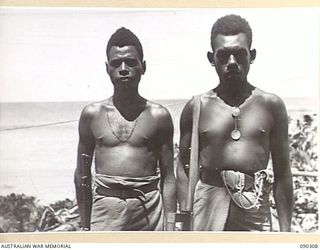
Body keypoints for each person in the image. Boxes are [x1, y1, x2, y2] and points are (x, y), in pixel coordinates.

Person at [176, 14, 293, 231]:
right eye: (223, 56)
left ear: (252, 55)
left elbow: (283, 173)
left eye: (239, 54)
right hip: (207, 209)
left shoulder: (271, 105)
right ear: (212, 58)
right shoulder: (196, 107)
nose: (232, 63)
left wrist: (286, 233)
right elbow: (182, 167)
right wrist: (185, 217)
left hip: (255, 210)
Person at [74, 27, 176, 231]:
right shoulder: (91, 114)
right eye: (116, 63)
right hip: (105, 212)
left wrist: (170, 226)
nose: (123, 68)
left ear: (143, 66)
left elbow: (169, 177)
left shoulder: (159, 116)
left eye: (130, 62)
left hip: (149, 210)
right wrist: (85, 224)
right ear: (107, 68)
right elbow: (82, 174)